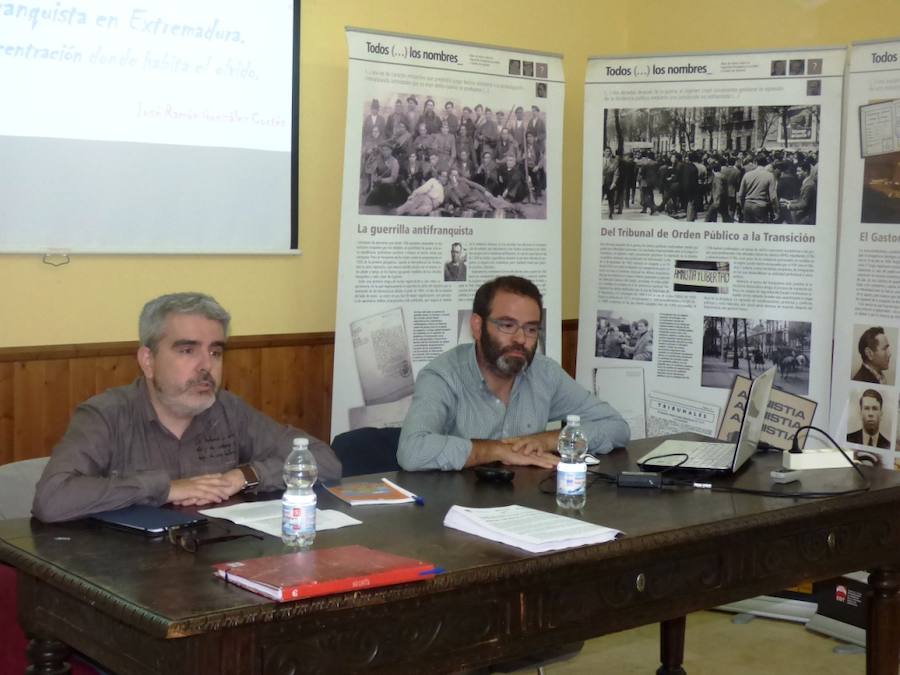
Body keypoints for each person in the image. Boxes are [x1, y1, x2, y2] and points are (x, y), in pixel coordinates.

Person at [32, 293, 341, 523]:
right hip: (126, 581)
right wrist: (166, 489)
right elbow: (53, 499)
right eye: (187, 350)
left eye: (216, 352)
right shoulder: (106, 415)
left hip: (213, 569)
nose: (206, 366)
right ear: (148, 361)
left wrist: (245, 476)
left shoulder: (228, 410)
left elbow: (324, 460)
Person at [397, 276, 629, 471]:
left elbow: (616, 427)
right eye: (507, 326)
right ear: (477, 326)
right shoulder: (443, 375)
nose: (520, 339)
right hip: (457, 510)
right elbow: (412, 451)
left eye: (530, 329)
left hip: (529, 505)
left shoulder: (543, 372)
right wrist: (496, 450)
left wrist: (548, 440)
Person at [737, 154, 778, 223]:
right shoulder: (770, 175)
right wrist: (776, 210)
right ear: (766, 163)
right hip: (761, 206)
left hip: (747, 205)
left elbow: (740, 194)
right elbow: (773, 197)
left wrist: (742, 207)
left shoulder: (747, 175)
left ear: (755, 162)